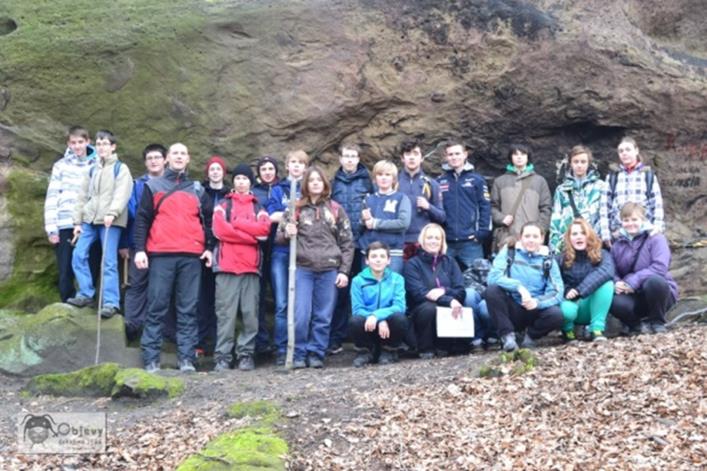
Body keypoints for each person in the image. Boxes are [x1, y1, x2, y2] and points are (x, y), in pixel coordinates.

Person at [134, 143, 214, 373]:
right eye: (175, 153)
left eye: (183, 154)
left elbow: (208, 221)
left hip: (191, 255)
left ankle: (187, 358)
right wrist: (140, 249)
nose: (179, 157)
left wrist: (209, 247)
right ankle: (150, 358)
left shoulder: (198, 189)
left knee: (188, 307)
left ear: (188, 159)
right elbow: (142, 219)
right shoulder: (153, 186)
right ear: (167, 158)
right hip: (161, 254)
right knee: (157, 305)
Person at [277, 166, 354, 369]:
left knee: (323, 315)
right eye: (311, 180)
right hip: (303, 268)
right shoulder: (295, 208)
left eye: (319, 180)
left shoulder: (336, 209)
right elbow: (279, 237)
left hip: (329, 268)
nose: (315, 183)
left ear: (325, 183)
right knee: (301, 314)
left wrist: (344, 271)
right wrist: (287, 231)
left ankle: (317, 352)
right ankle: (299, 352)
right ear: (306, 184)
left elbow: (347, 243)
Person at [67, 130, 133, 319]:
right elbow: (82, 196)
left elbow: (122, 193)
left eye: (105, 144)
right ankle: (86, 293)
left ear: (113, 147)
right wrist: (77, 221)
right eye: (98, 144)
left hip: (110, 221)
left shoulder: (121, 168)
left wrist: (112, 212)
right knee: (78, 254)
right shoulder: (93, 169)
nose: (101, 147)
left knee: (108, 261)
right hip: (90, 220)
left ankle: (111, 302)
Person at [212, 163, 271, 372]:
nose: (241, 182)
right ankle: (222, 357)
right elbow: (219, 231)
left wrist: (236, 224)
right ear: (233, 181)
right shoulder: (223, 205)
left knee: (250, 314)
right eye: (237, 178)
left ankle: (245, 355)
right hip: (227, 267)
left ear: (250, 182)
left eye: (245, 179)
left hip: (250, 268)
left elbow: (264, 232)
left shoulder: (258, 207)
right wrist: (248, 236)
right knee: (225, 315)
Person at [404, 223, 487, 359]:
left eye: (437, 238)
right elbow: (420, 293)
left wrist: (443, 291)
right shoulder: (413, 264)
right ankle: (426, 348)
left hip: (449, 309)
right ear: (422, 240)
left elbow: (460, 290)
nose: (433, 241)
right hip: (421, 311)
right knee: (430, 307)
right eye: (429, 237)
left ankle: (448, 345)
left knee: (463, 300)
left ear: (442, 242)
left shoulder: (450, 262)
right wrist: (449, 299)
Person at [486, 222, 564, 352]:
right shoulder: (509, 252)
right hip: (513, 305)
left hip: (534, 307)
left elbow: (557, 291)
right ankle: (508, 337)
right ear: (521, 238)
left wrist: (537, 302)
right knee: (492, 291)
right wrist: (518, 287)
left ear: (541, 239)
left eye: (535, 236)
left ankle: (529, 337)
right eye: (527, 236)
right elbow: (493, 277)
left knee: (557, 315)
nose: (531, 240)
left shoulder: (548, 260)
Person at [121, 143, 169, 341]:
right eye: (150, 158)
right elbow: (130, 213)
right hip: (138, 242)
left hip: (165, 243)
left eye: (157, 157)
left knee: (163, 287)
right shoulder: (137, 185)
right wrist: (124, 243)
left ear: (165, 159)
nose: (154, 161)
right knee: (137, 283)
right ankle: (132, 325)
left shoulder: (174, 183)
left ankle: (163, 331)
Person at [329, 143, 373, 355]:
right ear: (340, 159)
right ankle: (336, 338)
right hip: (340, 245)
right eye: (346, 156)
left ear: (358, 159)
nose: (349, 160)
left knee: (364, 290)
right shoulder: (333, 182)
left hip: (363, 243)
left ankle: (362, 338)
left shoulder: (368, 181)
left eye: (353, 156)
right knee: (339, 293)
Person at [44, 126, 97, 302]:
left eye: (80, 142)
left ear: (88, 142)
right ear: (68, 144)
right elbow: (52, 197)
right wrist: (52, 229)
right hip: (65, 223)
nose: (77, 146)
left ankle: (88, 301)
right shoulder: (60, 165)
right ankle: (67, 302)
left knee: (91, 264)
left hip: (90, 223)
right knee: (65, 267)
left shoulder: (97, 164)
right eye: (73, 142)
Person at [610, 202, 677, 334]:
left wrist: (633, 282)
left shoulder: (656, 239)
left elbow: (660, 267)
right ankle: (635, 325)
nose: (630, 223)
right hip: (631, 293)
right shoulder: (617, 244)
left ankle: (657, 322)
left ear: (643, 220)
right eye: (626, 220)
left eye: (634, 219)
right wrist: (616, 282)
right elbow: (612, 269)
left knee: (654, 282)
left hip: (658, 293)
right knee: (612, 299)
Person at [267, 150, 308, 365]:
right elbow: (271, 215)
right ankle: (282, 348)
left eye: (301, 163)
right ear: (287, 165)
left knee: (301, 303)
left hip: (305, 253)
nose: (297, 166)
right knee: (282, 302)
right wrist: (291, 214)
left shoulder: (310, 188)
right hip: (281, 252)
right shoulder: (277, 189)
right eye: (293, 162)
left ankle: (300, 347)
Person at [349, 242, 408, 367]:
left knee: (400, 318)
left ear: (388, 260)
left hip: (388, 329)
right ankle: (364, 352)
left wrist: (377, 316)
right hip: (368, 325)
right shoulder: (357, 281)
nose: (378, 260)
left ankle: (389, 351)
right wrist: (376, 319)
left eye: (382, 257)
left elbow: (399, 306)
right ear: (367, 260)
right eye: (374, 256)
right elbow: (357, 308)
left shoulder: (397, 279)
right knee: (355, 320)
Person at [557, 218, 615, 342]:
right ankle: (568, 332)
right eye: (575, 234)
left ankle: (596, 330)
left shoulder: (603, 254)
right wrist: (567, 290)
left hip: (591, 305)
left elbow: (607, 272)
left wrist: (579, 290)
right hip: (570, 304)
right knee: (566, 310)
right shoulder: (561, 258)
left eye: (583, 233)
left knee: (607, 284)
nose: (579, 237)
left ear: (589, 235)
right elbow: (555, 281)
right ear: (569, 238)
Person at [196, 155, 231, 357]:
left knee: (222, 298)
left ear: (223, 173)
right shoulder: (199, 192)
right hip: (202, 249)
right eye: (212, 169)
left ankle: (221, 342)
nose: (215, 172)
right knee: (203, 297)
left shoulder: (229, 194)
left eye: (219, 169)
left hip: (225, 249)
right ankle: (200, 341)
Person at [437, 140, 490, 270]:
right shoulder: (439, 181)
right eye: (450, 154)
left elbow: (485, 206)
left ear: (465, 154)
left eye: (457, 153)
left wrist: (482, 232)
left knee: (479, 278)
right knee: (441, 279)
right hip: (446, 241)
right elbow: (435, 209)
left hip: (471, 242)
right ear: (446, 157)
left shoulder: (477, 180)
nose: (454, 157)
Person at [602, 137, 665, 246]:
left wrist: (657, 228)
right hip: (619, 233)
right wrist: (605, 233)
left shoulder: (647, 175)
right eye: (621, 151)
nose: (624, 153)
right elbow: (604, 206)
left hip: (644, 233)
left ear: (636, 151)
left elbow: (657, 204)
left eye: (628, 150)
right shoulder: (613, 177)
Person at [491, 144, 552, 252]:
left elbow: (546, 208)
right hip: (507, 236)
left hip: (532, 238)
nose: (519, 157)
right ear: (510, 157)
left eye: (523, 154)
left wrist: (539, 230)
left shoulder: (539, 181)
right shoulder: (499, 181)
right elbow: (492, 207)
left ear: (528, 157)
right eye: (515, 154)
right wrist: (501, 218)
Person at [549, 145, 609, 251]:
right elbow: (556, 217)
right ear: (570, 164)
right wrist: (554, 245)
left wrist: (598, 238)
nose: (579, 165)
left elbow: (604, 215)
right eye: (576, 162)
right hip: (567, 242)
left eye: (583, 162)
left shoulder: (600, 186)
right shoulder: (562, 189)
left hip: (592, 241)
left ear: (589, 163)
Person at [358, 160, 411, 274]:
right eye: (380, 174)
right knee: (369, 288)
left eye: (387, 175)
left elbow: (403, 223)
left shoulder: (401, 198)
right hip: (370, 253)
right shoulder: (368, 199)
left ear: (394, 179)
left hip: (392, 253)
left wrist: (376, 223)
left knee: (390, 289)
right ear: (375, 178)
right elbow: (362, 227)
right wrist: (362, 220)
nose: (384, 178)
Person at [251, 155, 280, 355]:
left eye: (271, 168)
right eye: (264, 169)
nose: (268, 172)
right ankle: (261, 341)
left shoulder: (283, 190)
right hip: (258, 249)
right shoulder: (253, 193)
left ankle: (281, 341)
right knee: (257, 297)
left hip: (280, 248)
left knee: (281, 297)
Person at [398, 139, 445, 260]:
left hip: (423, 242)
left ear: (422, 158)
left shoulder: (431, 184)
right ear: (402, 158)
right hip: (398, 242)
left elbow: (442, 217)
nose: (412, 158)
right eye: (408, 154)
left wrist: (428, 207)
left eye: (416, 154)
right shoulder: (393, 182)